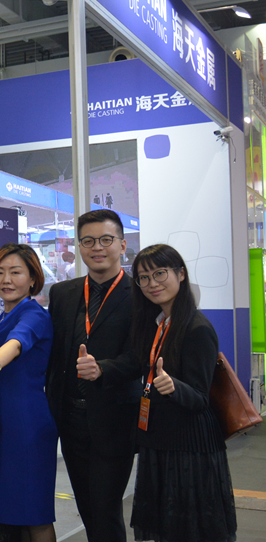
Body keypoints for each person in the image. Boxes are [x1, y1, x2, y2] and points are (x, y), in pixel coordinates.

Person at [128, 244, 236, 542]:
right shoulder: (158, 323)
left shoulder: (197, 328)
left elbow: (200, 398)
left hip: (189, 447)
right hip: (161, 438)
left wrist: (174, 387)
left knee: (191, 531)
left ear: (181, 274)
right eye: (144, 277)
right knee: (167, 529)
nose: (152, 283)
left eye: (160, 273)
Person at [45, 210, 141, 542]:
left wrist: (104, 368)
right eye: (88, 241)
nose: (97, 247)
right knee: (86, 506)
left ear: (122, 245)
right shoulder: (62, 293)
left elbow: (143, 355)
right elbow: (55, 353)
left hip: (115, 418)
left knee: (105, 509)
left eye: (105, 240)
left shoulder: (140, 294)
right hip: (70, 418)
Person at [0, 243, 57, 542]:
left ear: (33, 279)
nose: (6, 280)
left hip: (29, 422)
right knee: (17, 510)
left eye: (16, 272)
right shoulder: (5, 315)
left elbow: (19, 341)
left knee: (35, 511)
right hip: (8, 421)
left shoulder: (33, 313)